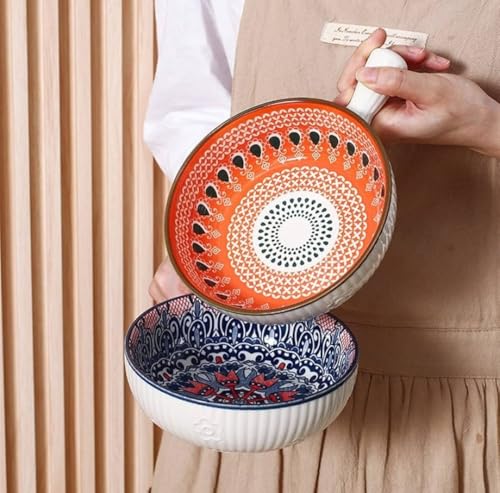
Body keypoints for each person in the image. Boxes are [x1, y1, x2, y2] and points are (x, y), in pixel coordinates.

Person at [145, 1, 500, 492]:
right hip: (262, 395)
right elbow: (198, 114)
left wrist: (489, 127)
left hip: (470, 419)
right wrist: (203, 248)